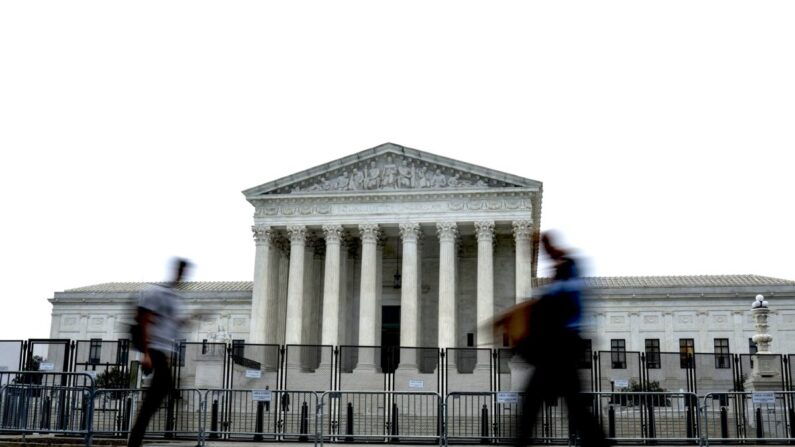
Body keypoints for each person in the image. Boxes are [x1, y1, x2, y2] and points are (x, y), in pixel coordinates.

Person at [513, 232, 607, 447]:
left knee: (539, 404)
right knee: (566, 406)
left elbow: (561, 309)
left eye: (544, 247)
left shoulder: (569, 269)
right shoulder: (561, 274)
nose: (544, 252)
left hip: (561, 348)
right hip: (558, 349)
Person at [128, 258, 192, 447]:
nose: (183, 277)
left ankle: (136, 440)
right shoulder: (156, 293)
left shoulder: (174, 298)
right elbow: (144, 321)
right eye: (182, 272)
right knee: (159, 395)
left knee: (158, 396)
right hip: (154, 350)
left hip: (163, 352)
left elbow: (172, 325)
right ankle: (135, 441)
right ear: (176, 271)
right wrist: (145, 353)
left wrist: (192, 318)